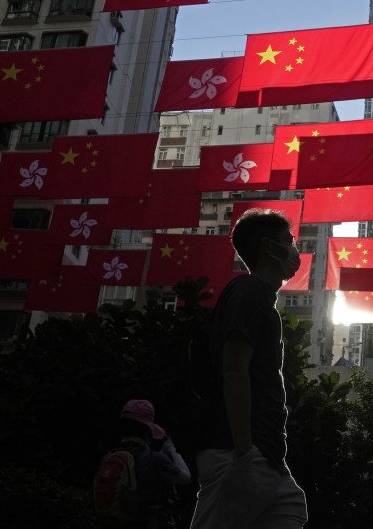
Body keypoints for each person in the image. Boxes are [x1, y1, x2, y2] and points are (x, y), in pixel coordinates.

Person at [189, 209, 308, 529]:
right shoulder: (250, 290)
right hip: (238, 449)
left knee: (291, 508)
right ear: (269, 247)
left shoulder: (260, 298)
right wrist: (243, 448)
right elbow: (233, 367)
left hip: (267, 455)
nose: (295, 250)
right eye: (289, 241)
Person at [114, 399, 192, 528]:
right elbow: (186, 477)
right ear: (148, 431)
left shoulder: (112, 456)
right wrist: (172, 450)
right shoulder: (155, 459)